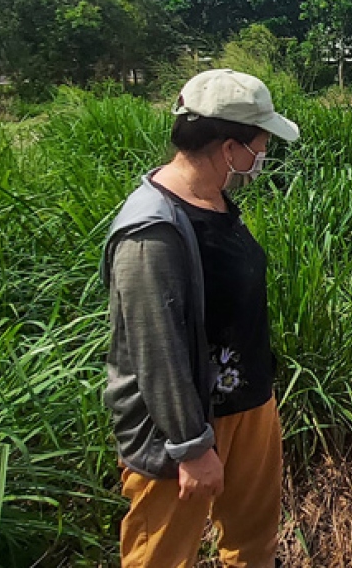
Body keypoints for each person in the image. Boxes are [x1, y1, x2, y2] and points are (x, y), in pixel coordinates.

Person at [100, 69, 299, 567]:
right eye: (260, 143)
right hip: (182, 427)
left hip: (248, 404)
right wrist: (190, 446)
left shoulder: (214, 200)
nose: (263, 156)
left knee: (253, 544)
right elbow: (156, 351)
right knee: (162, 555)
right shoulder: (151, 231)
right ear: (229, 147)